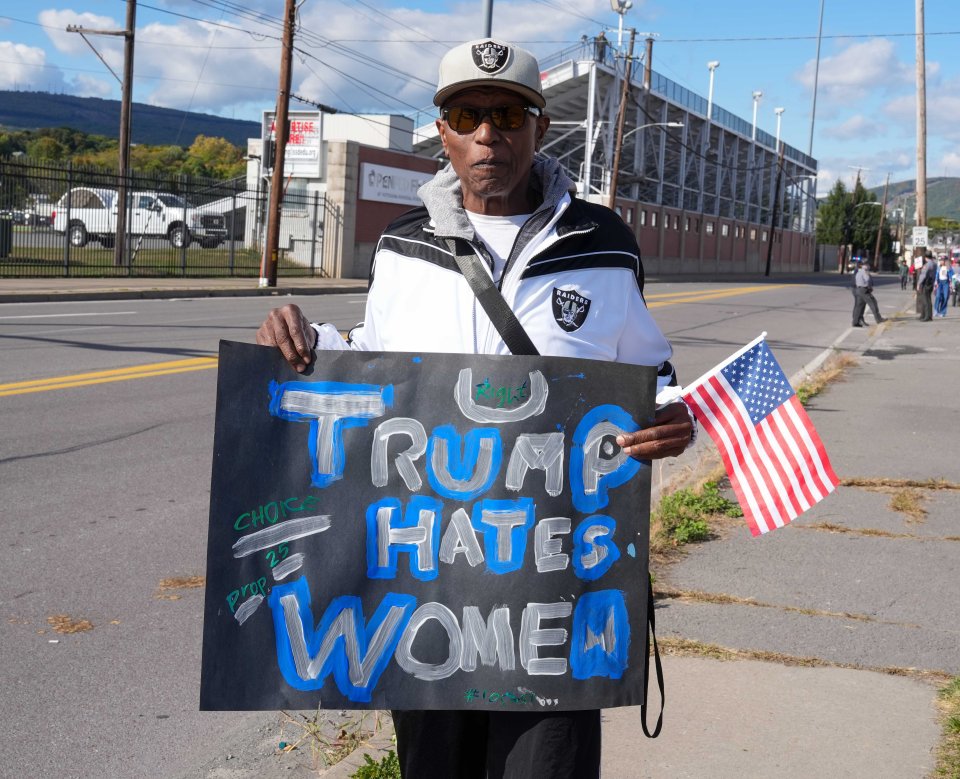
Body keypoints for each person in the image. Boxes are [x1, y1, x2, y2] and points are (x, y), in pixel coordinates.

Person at [256, 38, 694, 779]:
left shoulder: (604, 246)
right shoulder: (401, 247)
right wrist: (299, 340)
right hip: (431, 604)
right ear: (444, 131)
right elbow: (375, 365)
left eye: (508, 113)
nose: (489, 131)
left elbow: (654, 377)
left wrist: (675, 418)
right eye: (468, 113)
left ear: (539, 127)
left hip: (555, 603)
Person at [851, 260, 884, 327]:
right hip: (864, 290)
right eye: (867, 265)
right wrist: (869, 287)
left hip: (858, 290)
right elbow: (867, 280)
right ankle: (878, 319)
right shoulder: (864, 272)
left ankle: (855, 322)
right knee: (873, 303)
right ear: (864, 266)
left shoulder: (858, 272)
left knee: (858, 307)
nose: (868, 266)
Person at [916, 252, 938, 321]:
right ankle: (926, 315)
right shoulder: (934, 264)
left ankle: (927, 316)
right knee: (928, 299)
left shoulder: (927, 265)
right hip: (931, 282)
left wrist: (919, 283)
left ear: (926, 257)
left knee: (925, 300)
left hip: (926, 283)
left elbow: (923, 275)